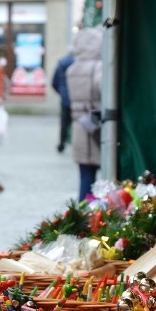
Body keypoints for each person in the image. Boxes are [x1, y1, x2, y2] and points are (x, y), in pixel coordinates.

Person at [66, 26, 103, 201]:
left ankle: (84, 214)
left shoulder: (72, 68)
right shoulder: (99, 68)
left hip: (80, 126)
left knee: (85, 178)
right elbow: (105, 91)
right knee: (103, 179)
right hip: (98, 128)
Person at [52, 50, 75, 153]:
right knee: (79, 123)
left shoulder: (61, 64)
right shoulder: (79, 63)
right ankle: (75, 144)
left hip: (65, 99)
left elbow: (54, 82)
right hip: (78, 99)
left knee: (64, 123)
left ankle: (61, 144)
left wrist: (62, 92)